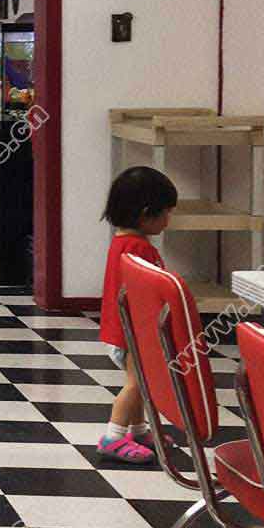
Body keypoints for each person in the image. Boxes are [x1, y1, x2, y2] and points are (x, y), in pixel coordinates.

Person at [97, 165, 178, 464]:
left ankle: (140, 430)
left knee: (140, 382)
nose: (168, 221)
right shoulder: (137, 249)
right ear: (145, 214)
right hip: (133, 333)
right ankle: (113, 437)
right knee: (137, 384)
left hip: (122, 331)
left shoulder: (123, 243)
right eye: (166, 213)